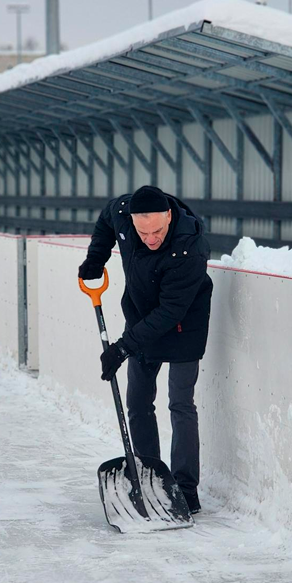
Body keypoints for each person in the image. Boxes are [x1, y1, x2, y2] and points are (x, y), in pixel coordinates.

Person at [77, 185, 213, 514]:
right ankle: (151, 476)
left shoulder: (189, 248)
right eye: (142, 233)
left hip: (183, 326)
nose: (150, 239)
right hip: (141, 320)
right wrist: (96, 257)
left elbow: (170, 312)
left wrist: (123, 347)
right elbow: (107, 217)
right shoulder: (123, 214)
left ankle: (185, 487)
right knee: (138, 403)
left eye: (157, 232)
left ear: (169, 216)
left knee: (180, 404)